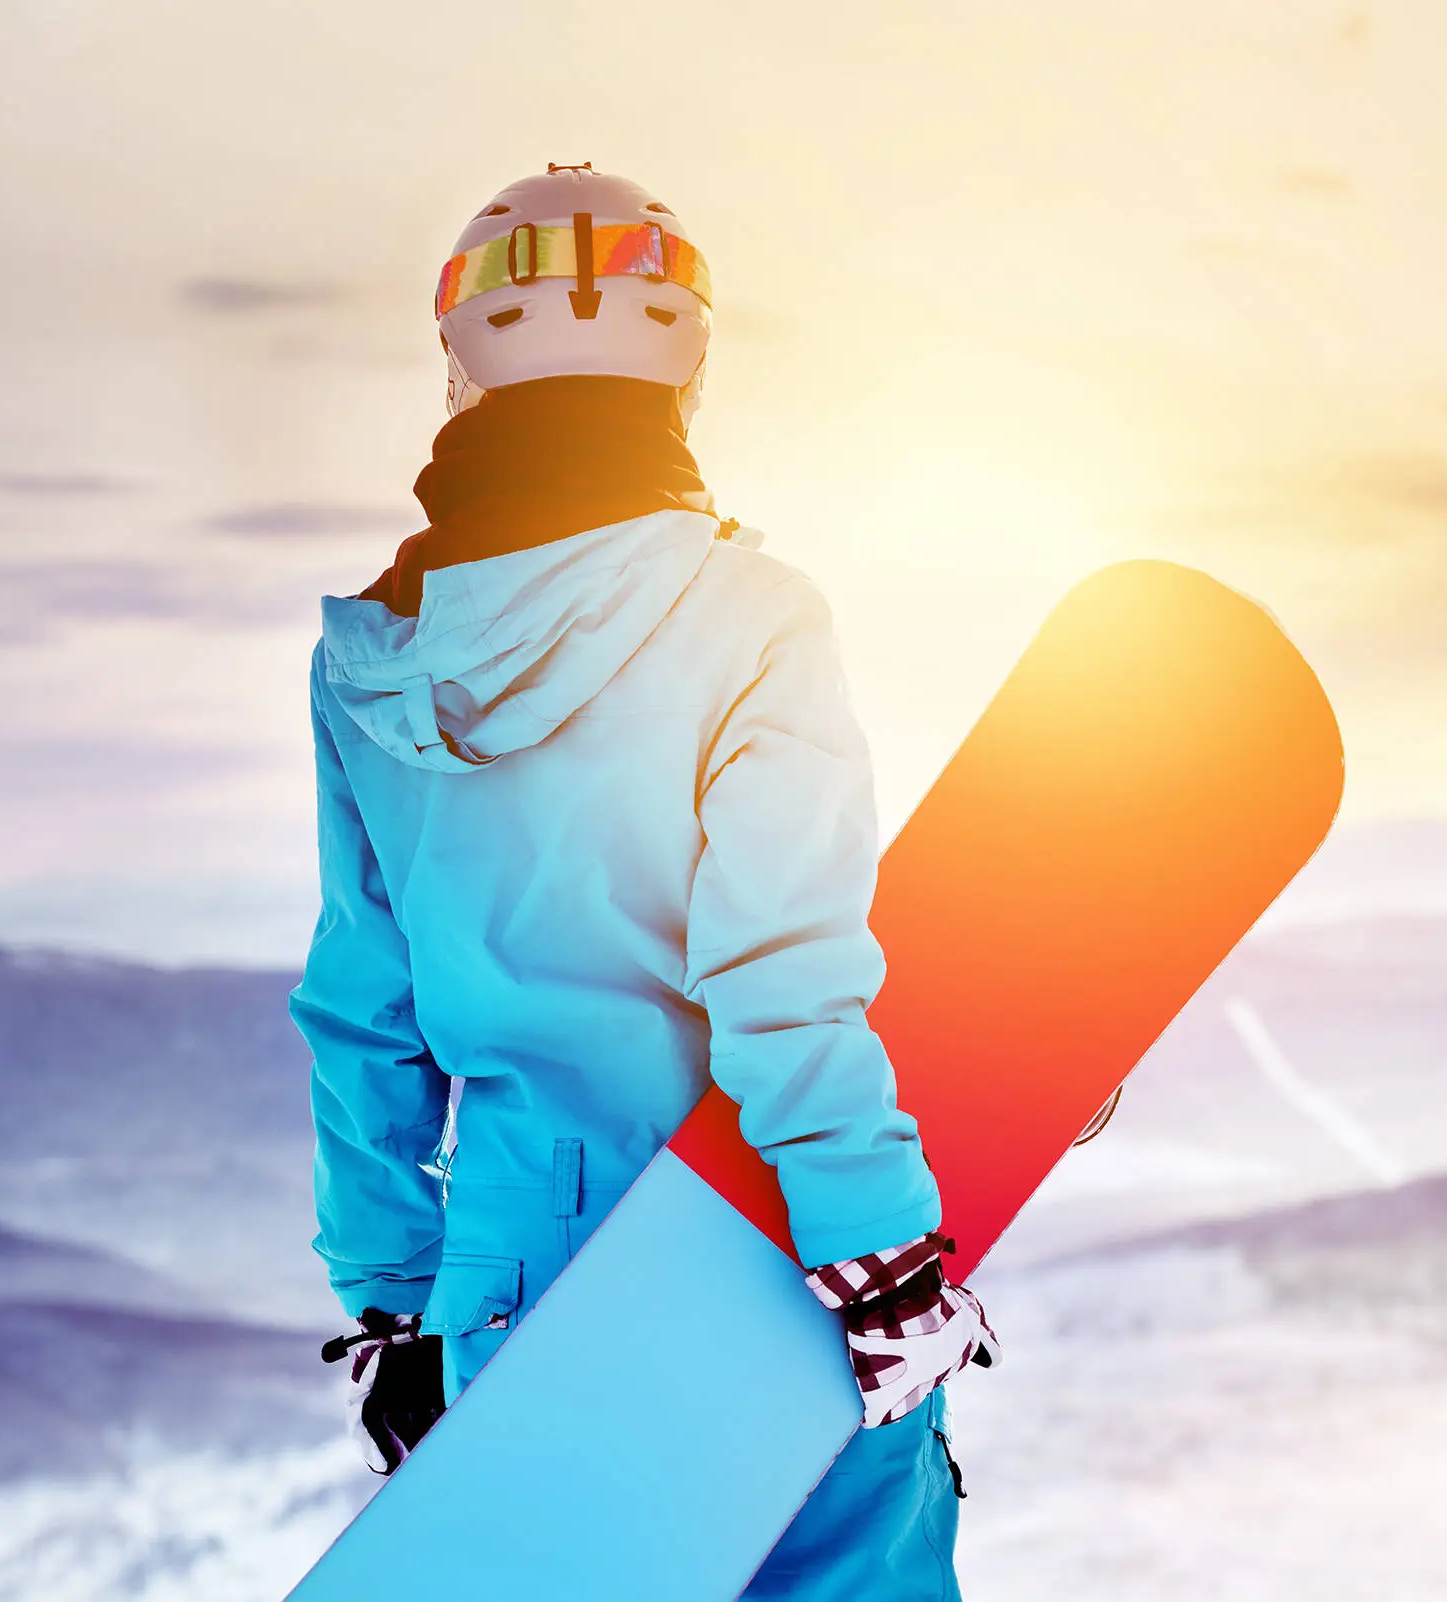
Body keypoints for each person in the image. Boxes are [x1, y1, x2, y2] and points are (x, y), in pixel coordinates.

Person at [288, 164, 996, 1599]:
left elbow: (361, 1010)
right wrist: (873, 1249)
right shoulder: (749, 617)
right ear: (684, 362)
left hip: (506, 1266)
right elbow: (780, 973)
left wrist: (387, 1295)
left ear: (466, 357)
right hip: (748, 1219)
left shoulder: (372, 660)